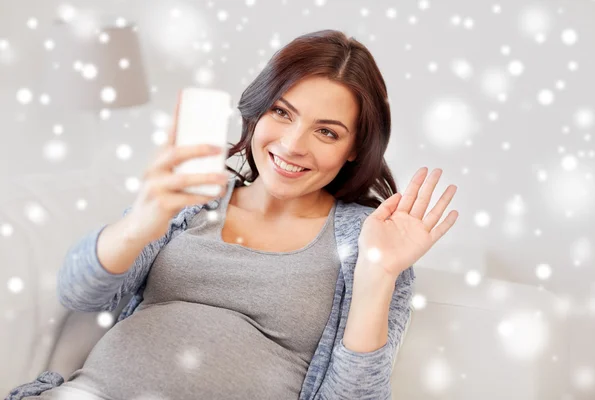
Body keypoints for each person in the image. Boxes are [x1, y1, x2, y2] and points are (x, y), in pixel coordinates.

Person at [8, 29, 458, 400]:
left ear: (355, 148)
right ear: (258, 111)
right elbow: (79, 294)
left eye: (326, 131)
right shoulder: (193, 195)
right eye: (282, 112)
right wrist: (140, 222)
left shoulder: (368, 240)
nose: (292, 144)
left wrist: (377, 277)